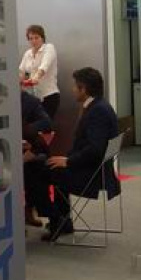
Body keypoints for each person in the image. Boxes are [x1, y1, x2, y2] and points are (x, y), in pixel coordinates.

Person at [44, 67, 120, 241]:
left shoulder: (98, 111)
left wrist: (68, 161)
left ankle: (58, 222)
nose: (72, 89)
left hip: (93, 173)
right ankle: (63, 221)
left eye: (75, 86)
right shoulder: (98, 106)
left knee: (46, 171)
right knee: (51, 166)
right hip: (94, 166)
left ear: (83, 89)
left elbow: (95, 149)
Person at [21, 91, 53, 227]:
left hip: (25, 146)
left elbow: (46, 123)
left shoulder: (30, 101)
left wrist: (24, 130)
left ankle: (29, 208)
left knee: (37, 165)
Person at [19, 25, 60, 120]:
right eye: (31, 38)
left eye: (36, 38)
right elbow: (21, 72)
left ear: (42, 38)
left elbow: (44, 66)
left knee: (44, 125)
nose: (33, 41)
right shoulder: (27, 53)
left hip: (49, 95)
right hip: (34, 98)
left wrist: (35, 78)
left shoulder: (49, 48)